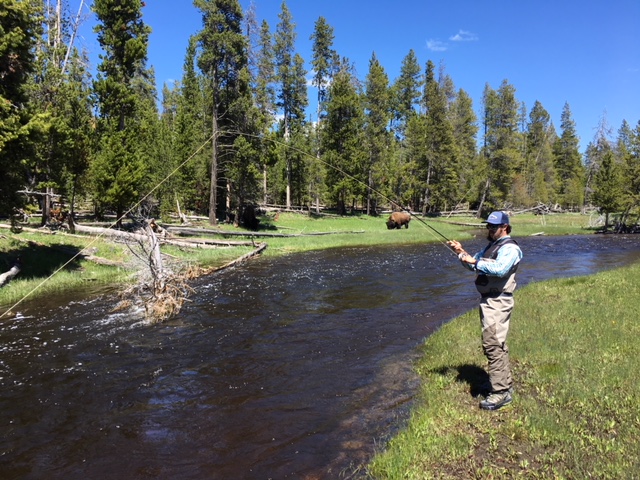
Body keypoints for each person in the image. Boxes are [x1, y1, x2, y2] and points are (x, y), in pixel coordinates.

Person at [447, 211, 523, 411]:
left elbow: (499, 269)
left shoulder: (510, 248)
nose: (488, 229)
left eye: (493, 227)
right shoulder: (491, 247)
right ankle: (502, 385)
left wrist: (475, 262)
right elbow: (473, 266)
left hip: (498, 301)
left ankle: (500, 393)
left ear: (504, 228)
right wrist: (460, 253)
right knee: (497, 344)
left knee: (493, 345)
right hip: (489, 301)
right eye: (487, 226)